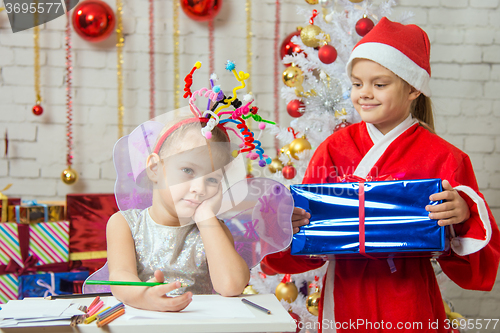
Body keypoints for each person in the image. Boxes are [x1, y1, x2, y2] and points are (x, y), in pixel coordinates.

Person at [262, 17, 500, 332]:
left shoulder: (446, 157)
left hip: (409, 294)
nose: (365, 93)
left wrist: (462, 214)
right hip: (346, 291)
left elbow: (476, 263)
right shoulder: (334, 149)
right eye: (358, 83)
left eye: (380, 84)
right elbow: (307, 237)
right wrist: (289, 225)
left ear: (414, 87)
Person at [106, 111, 250, 312]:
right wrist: (144, 296)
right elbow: (120, 275)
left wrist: (205, 217)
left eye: (212, 179)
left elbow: (232, 285)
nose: (199, 188)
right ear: (155, 167)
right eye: (188, 171)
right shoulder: (125, 223)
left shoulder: (212, 229)